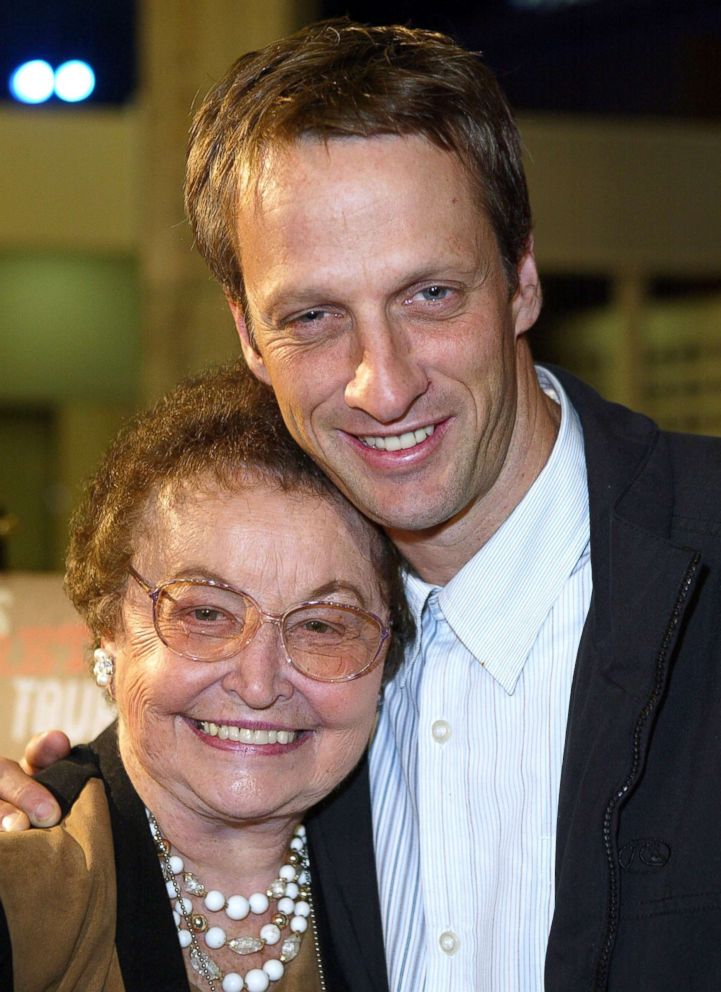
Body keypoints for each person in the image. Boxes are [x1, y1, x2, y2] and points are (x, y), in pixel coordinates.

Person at [2, 18, 721, 992]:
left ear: (520, 276)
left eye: (429, 294)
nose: (382, 385)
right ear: (248, 335)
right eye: (312, 315)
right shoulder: (286, 686)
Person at [0, 360, 411, 992]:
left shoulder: (425, 870)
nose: (258, 682)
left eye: (323, 626)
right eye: (206, 613)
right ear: (108, 621)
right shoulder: (28, 884)